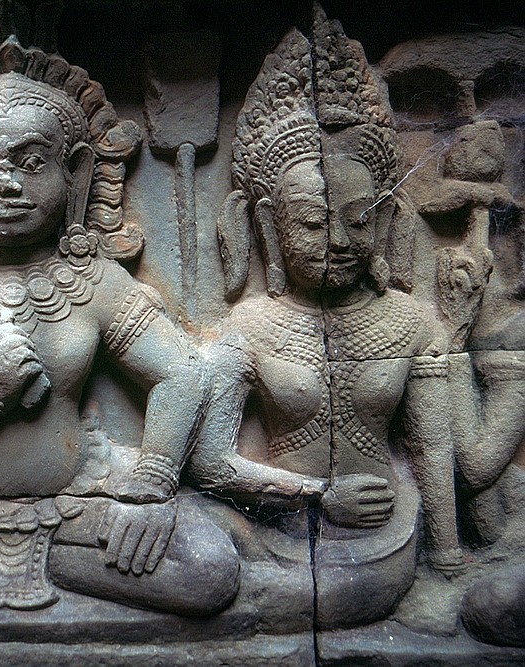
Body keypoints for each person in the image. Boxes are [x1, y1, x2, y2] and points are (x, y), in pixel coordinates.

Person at [0, 38, 240, 616]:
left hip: (75, 500)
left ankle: (21, 557)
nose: (5, 183)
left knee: (210, 571)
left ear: (75, 172)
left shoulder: (93, 282)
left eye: (32, 163)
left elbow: (182, 373)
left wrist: (153, 484)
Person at [195, 10, 462, 629]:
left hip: (386, 539)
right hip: (269, 532)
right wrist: (316, 497)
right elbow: (208, 462)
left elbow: (435, 451)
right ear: (269, 226)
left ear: (385, 220)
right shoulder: (248, 327)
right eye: (314, 222)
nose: (339, 241)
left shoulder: (411, 323)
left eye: (358, 220)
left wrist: (447, 561)